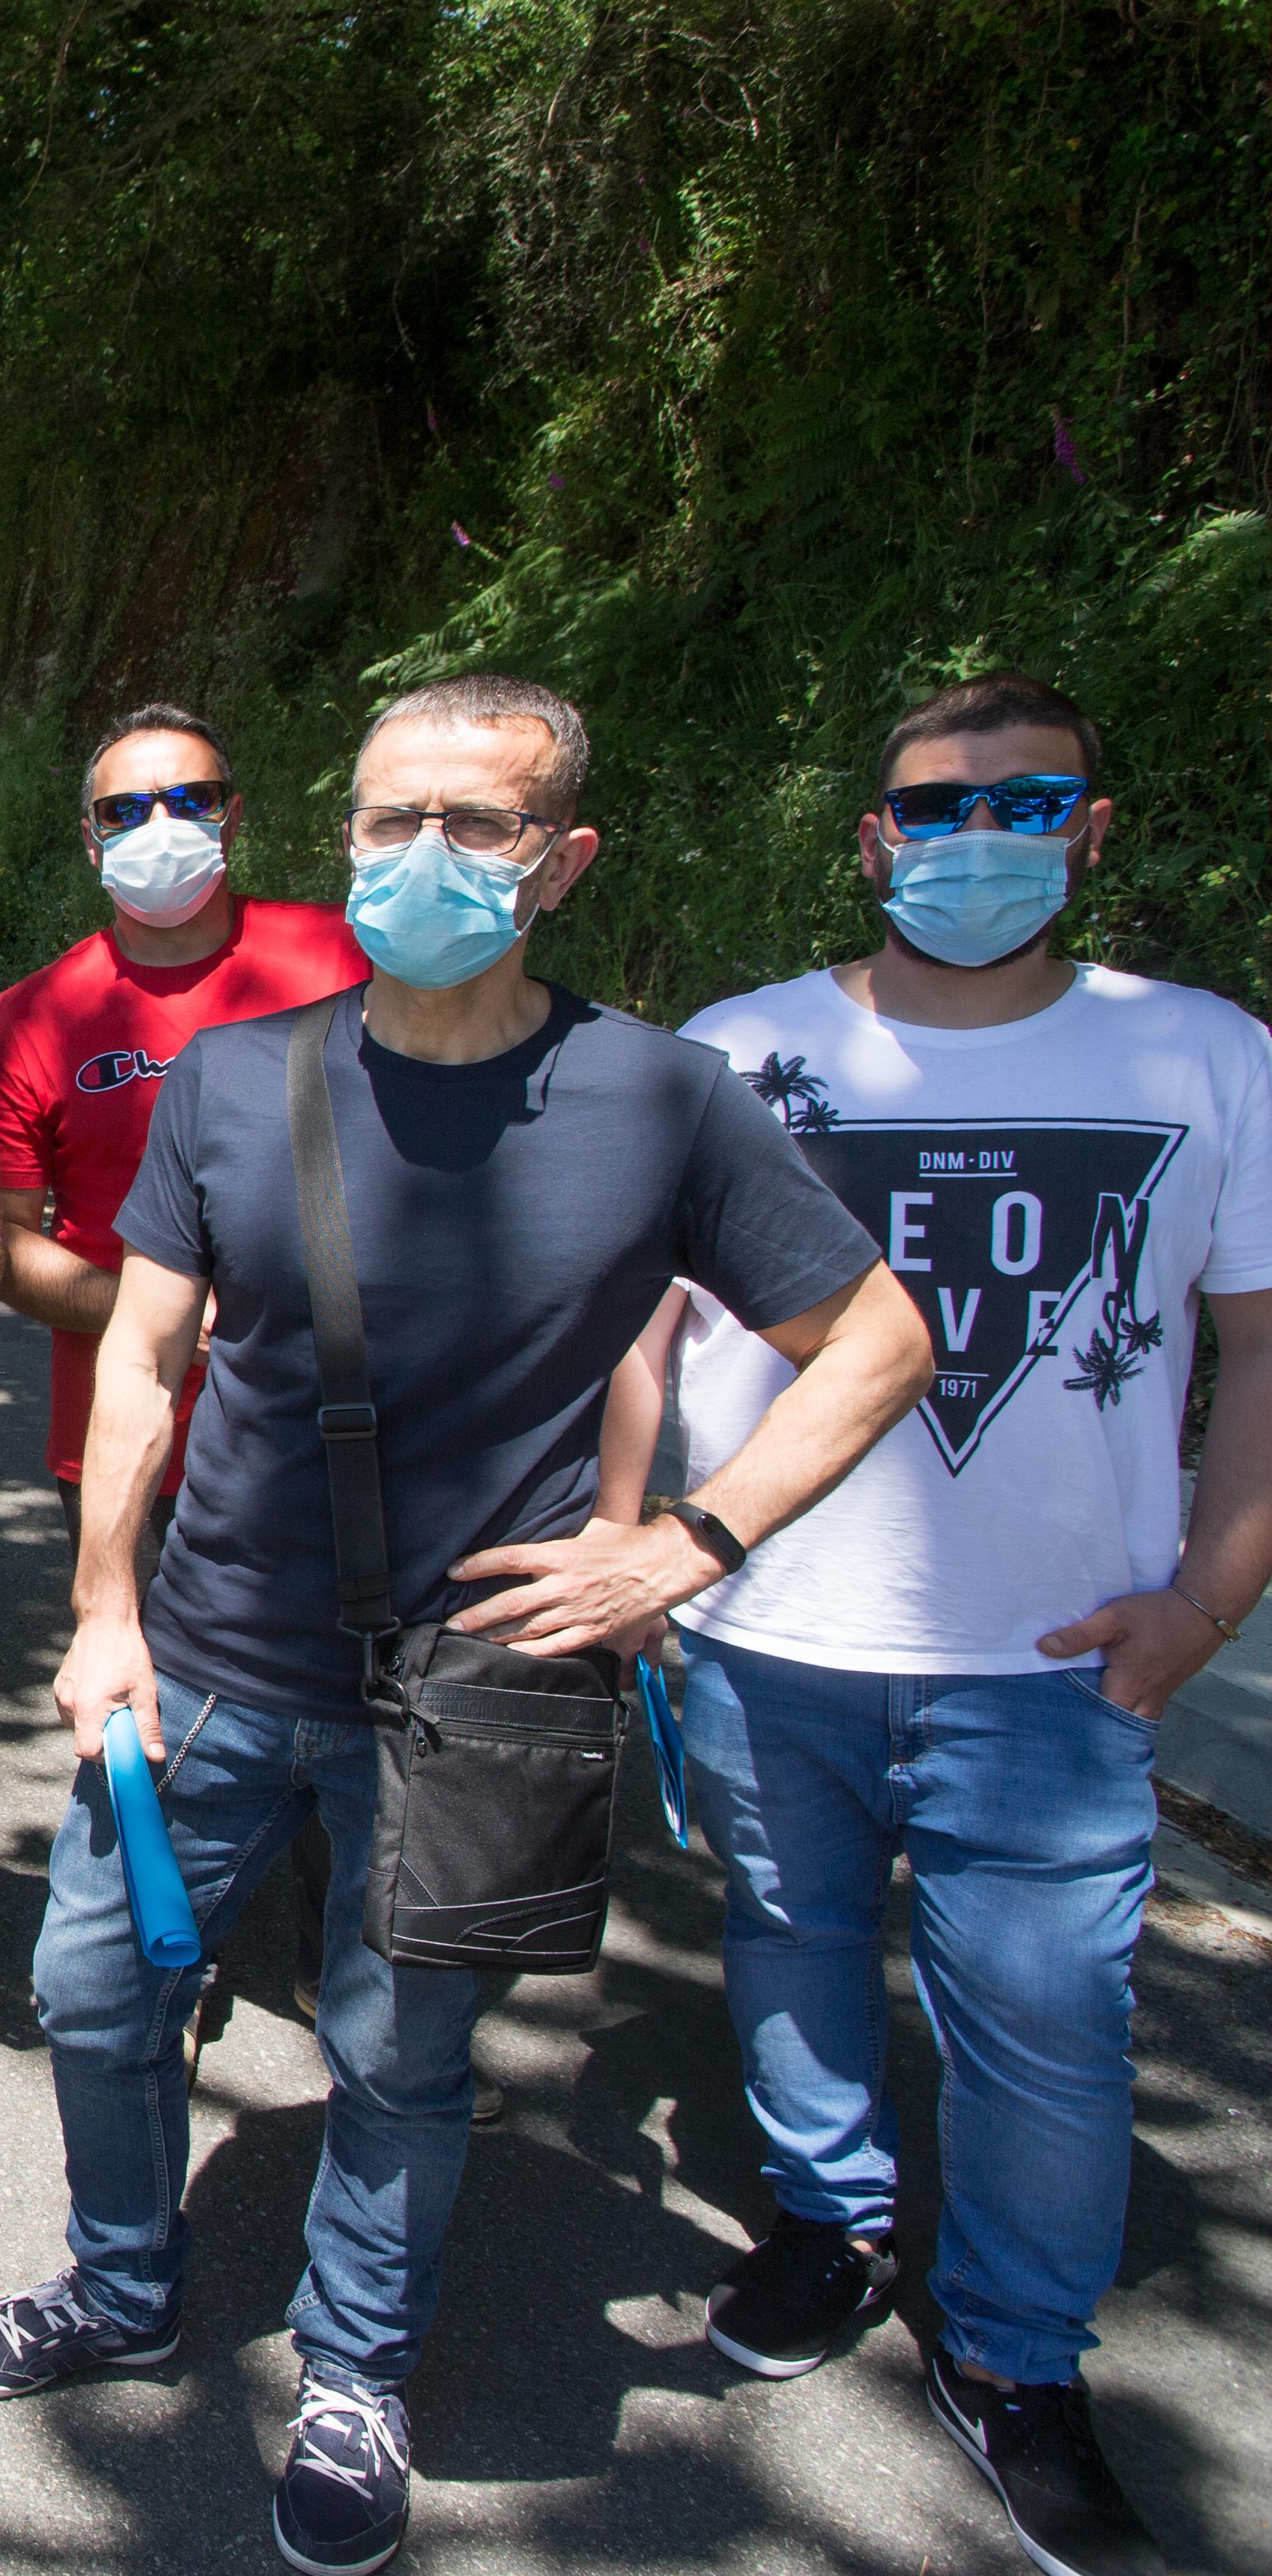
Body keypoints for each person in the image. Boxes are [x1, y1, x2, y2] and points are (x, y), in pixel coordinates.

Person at [0, 672, 933, 2576]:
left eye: (477, 827)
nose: (422, 859)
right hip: (213, 1662)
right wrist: (100, 1615)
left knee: (397, 2057)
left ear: (563, 862)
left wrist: (686, 1545)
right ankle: (123, 2283)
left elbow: (875, 1343)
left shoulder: (662, 1097)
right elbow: (143, 1363)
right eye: (389, 821)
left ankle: (359, 2373)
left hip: (470, 1694)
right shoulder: (243, 1080)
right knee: (90, 1987)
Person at [622, 672, 1268, 2576]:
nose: (974, 841)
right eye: (934, 808)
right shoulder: (737, 1055)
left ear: (1090, 829)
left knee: (1053, 2031)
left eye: (1024, 803)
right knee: (792, 1937)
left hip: (1061, 1659)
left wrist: (1206, 1606)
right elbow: (643, 1334)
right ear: (875, 835)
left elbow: (1260, 1345)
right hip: (774, 1631)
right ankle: (829, 2223)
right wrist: (637, 1551)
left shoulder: (1204, 1060)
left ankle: (1014, 2362)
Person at [0, 705, 368, 2062]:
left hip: (335, 1428)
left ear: (235, 813)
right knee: (151, 1712)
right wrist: (163, 1313)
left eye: (188, 799)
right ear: (86, 838)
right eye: (125, 810)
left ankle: (345, 1979)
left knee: (351, 1714)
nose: (161, 831)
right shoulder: (37, 1018)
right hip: (135, 1439)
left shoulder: (343, 954)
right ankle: (171, 1956)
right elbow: (7, 1251)